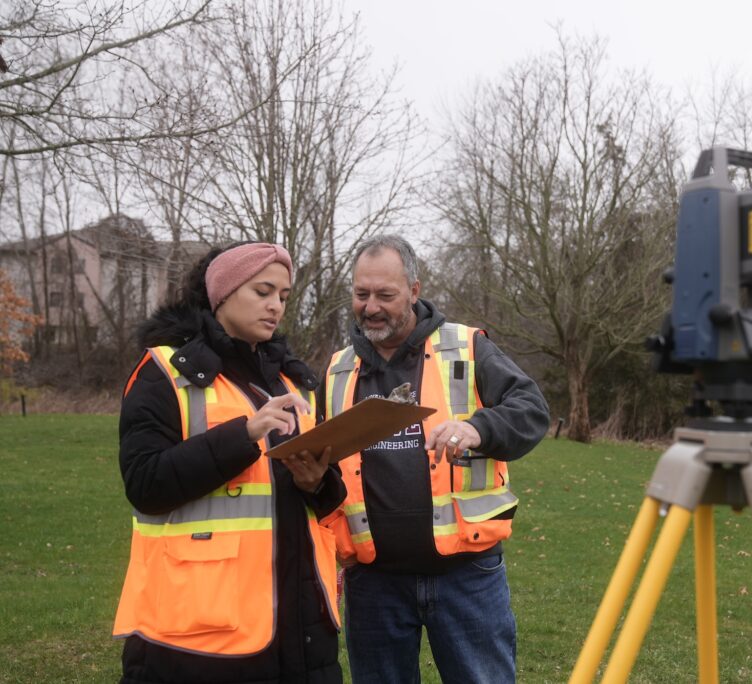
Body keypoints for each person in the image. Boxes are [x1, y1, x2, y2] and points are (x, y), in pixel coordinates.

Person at [113, 242, 346, 684]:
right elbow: (145, 484)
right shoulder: (165, 372)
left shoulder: (294, 380)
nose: (275, 305)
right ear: (222, 293)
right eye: (263, 291)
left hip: (303, 626)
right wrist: (244, 434)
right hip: (200, 634)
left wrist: (318, 482)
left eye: (283, 296)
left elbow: (324, 497)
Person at [321, 234, 550, 683]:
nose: (370, 307)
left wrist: (478, 429)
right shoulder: (336, 370)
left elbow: (531, 411)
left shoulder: (465, 347)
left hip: (466, 576)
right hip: (374, 582)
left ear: (414, 290)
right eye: (361, 294)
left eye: (385, 295)